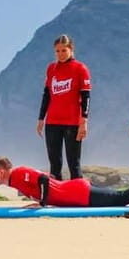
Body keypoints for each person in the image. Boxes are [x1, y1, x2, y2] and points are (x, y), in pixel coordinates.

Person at [0, 156, 129, 208]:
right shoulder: (15, 180)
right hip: (75, 193)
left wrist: (41, 203)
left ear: (1, 171)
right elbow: (47, 178)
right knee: (120, 198)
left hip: (78, 194)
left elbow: (43, 179)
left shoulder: (19, 173)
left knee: (122, 198)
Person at [36, 34, 92, 180]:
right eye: (57, 51)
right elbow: (47, 95)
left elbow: (86, 97)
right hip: (52, 122)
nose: (60, 54)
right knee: (54, 165)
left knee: (74, 163)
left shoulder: (80, 68)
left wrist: (84, 121)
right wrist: (41, 118)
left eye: (63, 50)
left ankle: (79, 198)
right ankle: (57, 199)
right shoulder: (51, 68)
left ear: (71, 49)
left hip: (72, 123)